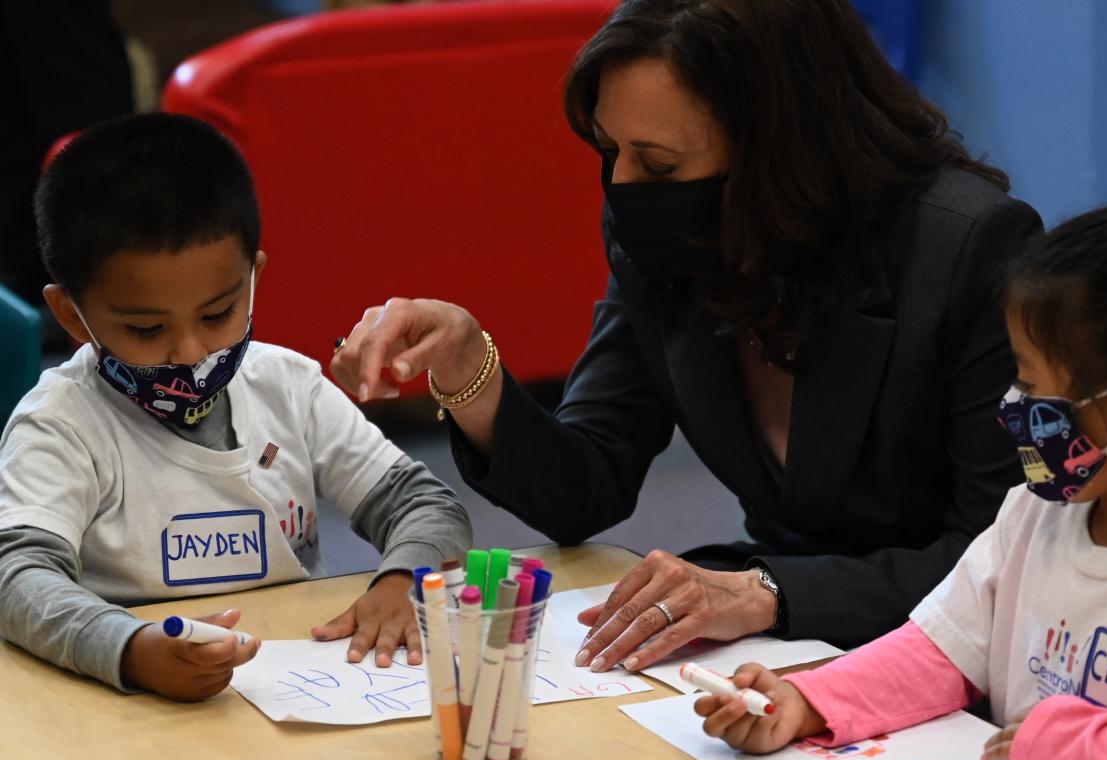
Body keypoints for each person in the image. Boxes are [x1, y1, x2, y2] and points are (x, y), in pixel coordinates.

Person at [330, 0, 1042, 672]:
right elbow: (585, 490)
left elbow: (1001, 559)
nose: (624, 187)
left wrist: (767, 592)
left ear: (781, 148)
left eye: (660, 165)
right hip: (767, 643)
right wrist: (468, 369)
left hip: (940, 653)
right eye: (611, 151)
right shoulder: (671, 240)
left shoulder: (967, 249)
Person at [693, 203, 1107, 760]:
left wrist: (1080, 750)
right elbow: (938, 651)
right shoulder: (1032, 517)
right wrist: (806, 701)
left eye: (1032, 388)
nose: (1013, 405)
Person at [0, 113, 470, 701]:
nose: (189, 352)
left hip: (297, 691)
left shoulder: (288, 388)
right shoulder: (61, 424)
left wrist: (406, 577)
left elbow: (424, 505)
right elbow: (16, 579)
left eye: (218, 314)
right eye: (146, 328)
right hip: (124, 704)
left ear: (253, 276)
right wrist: (128, 648)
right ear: (72, 316)